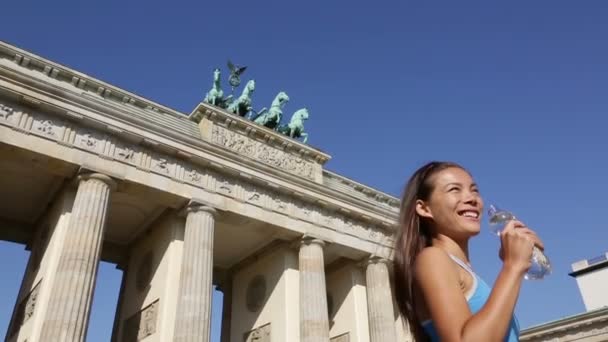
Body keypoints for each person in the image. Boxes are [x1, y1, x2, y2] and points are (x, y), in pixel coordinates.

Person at [392, 161, 544, 342]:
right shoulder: (432, 258)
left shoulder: (465, 270)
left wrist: (516, 262)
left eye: (474, 190)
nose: (472, 198)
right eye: (454, 190)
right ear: (424, 208)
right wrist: (513, 266)